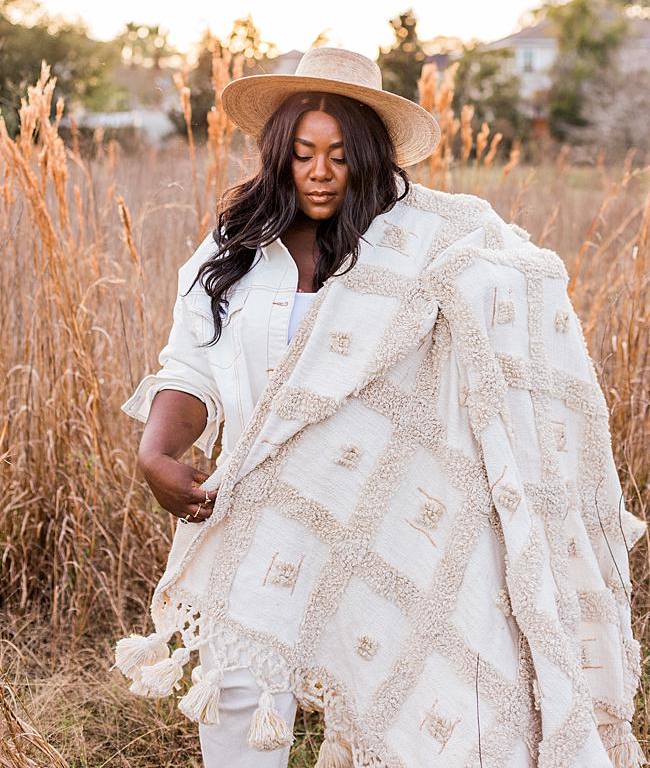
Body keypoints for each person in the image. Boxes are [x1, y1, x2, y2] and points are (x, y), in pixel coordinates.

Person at [116, 48, 644, 768]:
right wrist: (156, 452)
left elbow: (524, 278)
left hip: (389, 513)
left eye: (341, 154)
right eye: (303, 154)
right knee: (240, 690)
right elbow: (192, 364)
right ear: (279, 156)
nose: (322, 171)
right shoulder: (234, 250)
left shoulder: (421, 243)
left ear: (370, 155)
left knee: (411, 687)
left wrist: (485, 280)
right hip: (258, 505)